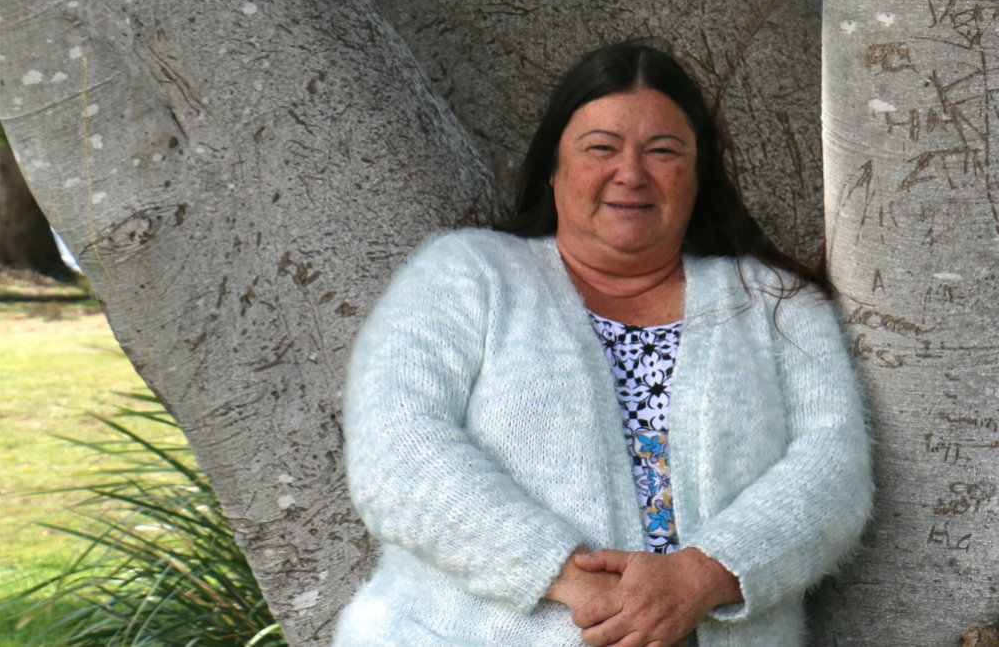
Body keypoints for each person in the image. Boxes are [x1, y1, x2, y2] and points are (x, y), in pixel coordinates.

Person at [332, 42, 872, 647]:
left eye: (664, 151)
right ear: (553, 168)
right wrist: (570, 578)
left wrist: (700, 576)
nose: (631, 173)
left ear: (698, 176)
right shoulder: (467, 274)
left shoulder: (778, 303)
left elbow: (834, 471)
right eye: (601, 148)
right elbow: (396, 447)